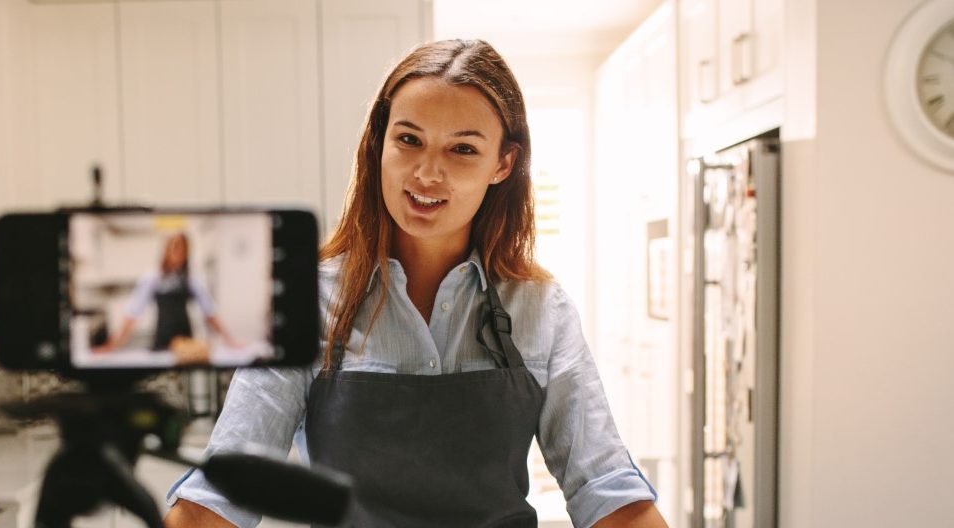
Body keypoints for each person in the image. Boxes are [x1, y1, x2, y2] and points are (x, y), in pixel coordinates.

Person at [164, 39, 668, 527]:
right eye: (409, 140)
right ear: (380, 142)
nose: (428, 173)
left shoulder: (542, 309)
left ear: (503, 164)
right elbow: (222, 495)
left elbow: (606, 489)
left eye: (463, 149)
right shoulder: (303, 302)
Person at [94, 232, 240, 360]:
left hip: (185, 345)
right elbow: (133, 312)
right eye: (175, 246)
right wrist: (112, 346)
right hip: (161, 342)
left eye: (183, 248)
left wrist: (230, 341)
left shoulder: (192, 279)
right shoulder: (152, 277)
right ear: (167, 249)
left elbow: (210, 312)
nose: (179, 252)